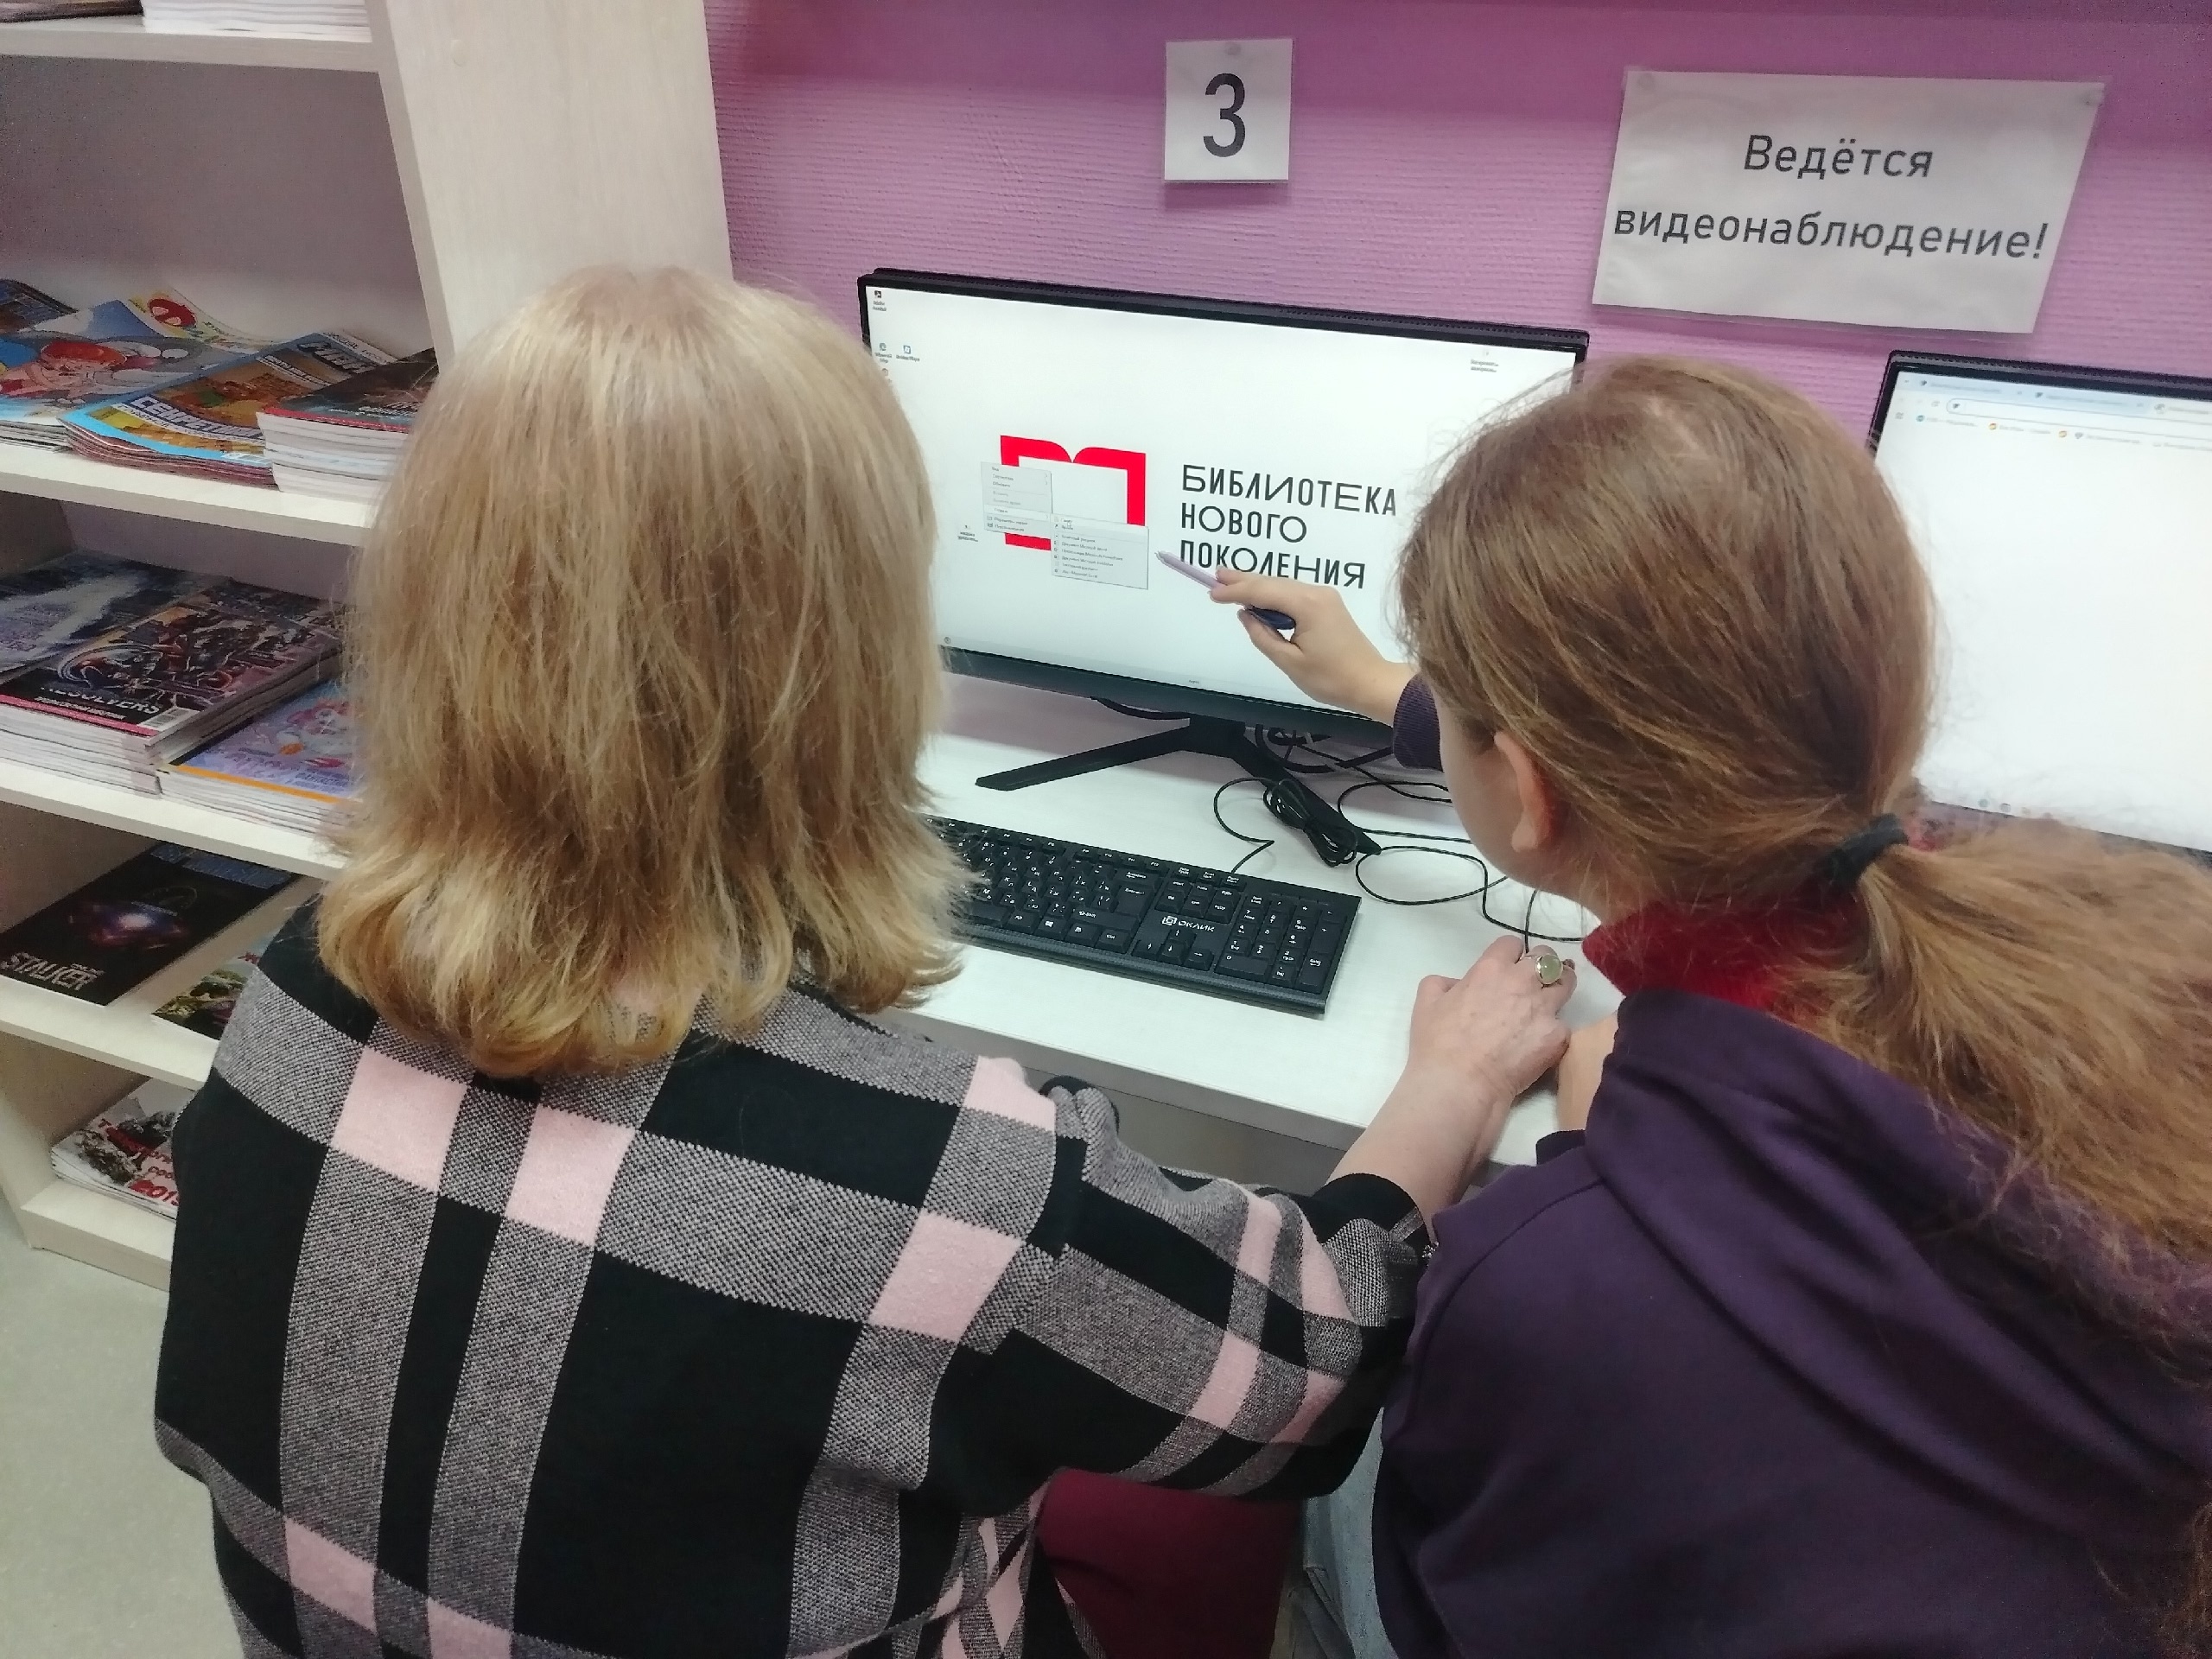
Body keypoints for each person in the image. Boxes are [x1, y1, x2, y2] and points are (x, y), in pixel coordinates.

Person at [149, 267, 1580, 1659]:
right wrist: (1448, 1091)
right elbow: (1310, 1380)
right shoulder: (955, 1187)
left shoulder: (287, 997)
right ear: (847, 656)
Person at [1211, 355, 2212, 1659]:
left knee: (1340, 1464)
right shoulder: (2133, 952)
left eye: (1450, 714)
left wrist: (1597, 1156)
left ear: (1526, 785)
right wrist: (1390, 692)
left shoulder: (1550, 1277)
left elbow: (1450, 1612)